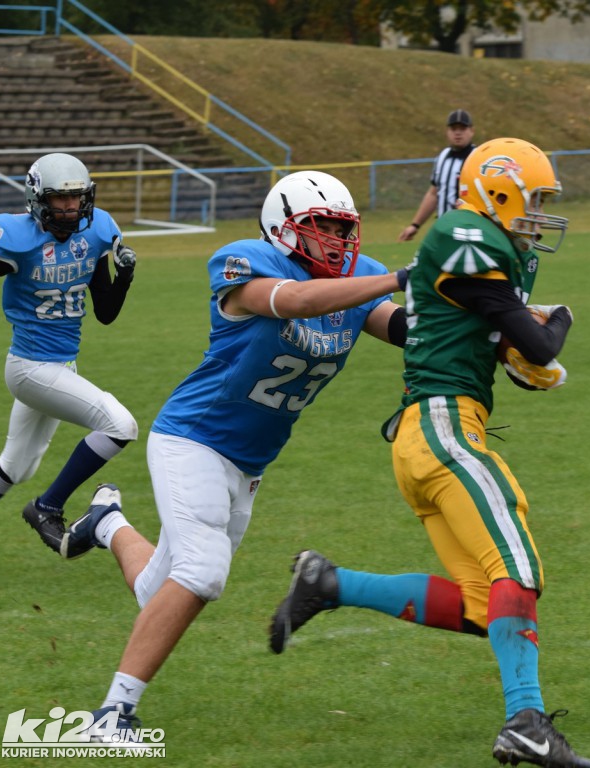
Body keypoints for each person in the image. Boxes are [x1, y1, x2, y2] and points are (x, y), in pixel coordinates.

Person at [269, 140, 590, 768]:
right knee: (517, 566)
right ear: (499, 192)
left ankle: (329, 583)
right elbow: (539, 342)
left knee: (482, 603)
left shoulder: (483, 248)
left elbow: (496, 336)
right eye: (533, 199)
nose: (539, 214)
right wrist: (558, 320)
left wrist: (516, 351)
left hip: (429, 435)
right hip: (444, 427)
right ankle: (526, 721)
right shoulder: (463, 233)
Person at [59, 170, 410, 735]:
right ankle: (112, 713)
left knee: (160, 591)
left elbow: (407, 330)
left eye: (343, 228)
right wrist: (396, 278)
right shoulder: (247, 262)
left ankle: (107, 523)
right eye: (321, 226)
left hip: (249, 461)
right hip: (193, 438)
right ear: (282, 227)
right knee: (202, 573)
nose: (336, 240)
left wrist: (499, 321)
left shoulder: (356, 278)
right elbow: (294, 300)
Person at [0, 152, 138, 553]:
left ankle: (41, 501)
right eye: (60, 198)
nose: (71, 206)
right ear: (38, 199)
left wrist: (124, 276)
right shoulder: (17, 238)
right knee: (121, 426)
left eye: (76, 197)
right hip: (30, 367)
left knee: (16, 467)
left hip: (61, 367)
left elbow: (105, 312)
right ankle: (47, 507)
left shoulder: (96, 232)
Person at [398, 108, 475, 242]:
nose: (457, 133)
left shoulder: (477, 158)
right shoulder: (443, 156)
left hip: (469, 230)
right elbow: (434, 193)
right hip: (444, 228)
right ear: (447, 132)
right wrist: (415, 225)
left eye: (462, 128)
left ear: (471, 131)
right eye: (453, 129)